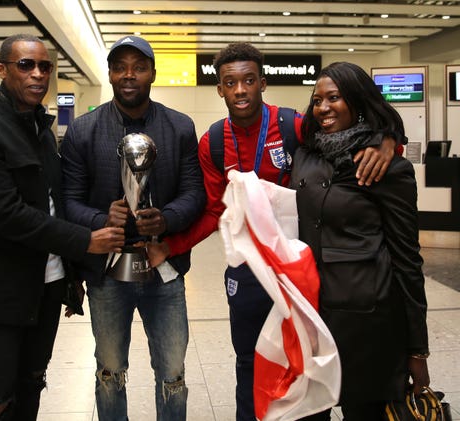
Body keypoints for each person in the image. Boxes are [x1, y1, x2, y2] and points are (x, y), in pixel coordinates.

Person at [147, 42, 401, 421]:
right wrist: (173, 245)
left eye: (248, 80)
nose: (240, 90)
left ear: (262, 83)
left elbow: (350, 134)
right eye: (230, 83)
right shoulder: (213, 141)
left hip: (300, 268)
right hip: (248, 273)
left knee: (303, 362)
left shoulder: (292, 125)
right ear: (220, 89)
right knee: (250, 363)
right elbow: (215, 209)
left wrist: (390, 141)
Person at [0, 34, 125, 421]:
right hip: (1, 292)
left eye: (45, 66)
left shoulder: (41, 129)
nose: (37, 74)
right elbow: (6, 214)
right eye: (25, 65)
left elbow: (55, 202)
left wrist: (70, 273)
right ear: (2, 70)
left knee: (32, 382)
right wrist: (86, 241)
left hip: (46, 287)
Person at [60, 35, 205, 420]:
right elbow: (69, 201)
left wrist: (168, 218)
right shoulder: (83, 131)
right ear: (109, 73)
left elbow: (195, 193)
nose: (129, 75)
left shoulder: (179, 127)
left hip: (164, 269)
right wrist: (100, 220)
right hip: (107, 274)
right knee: (109, 371)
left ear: (153, 73)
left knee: (172, 373)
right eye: (120, 67)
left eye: (139, 67)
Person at [291, 61, 429, 421]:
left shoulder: (387, 168)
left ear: (357, 99)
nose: (322, 107)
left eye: (334, 97)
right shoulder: (305, 154)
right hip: (311, 316)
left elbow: (407, 259)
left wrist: (417, 349)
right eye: (317, 99)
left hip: (369, 323)